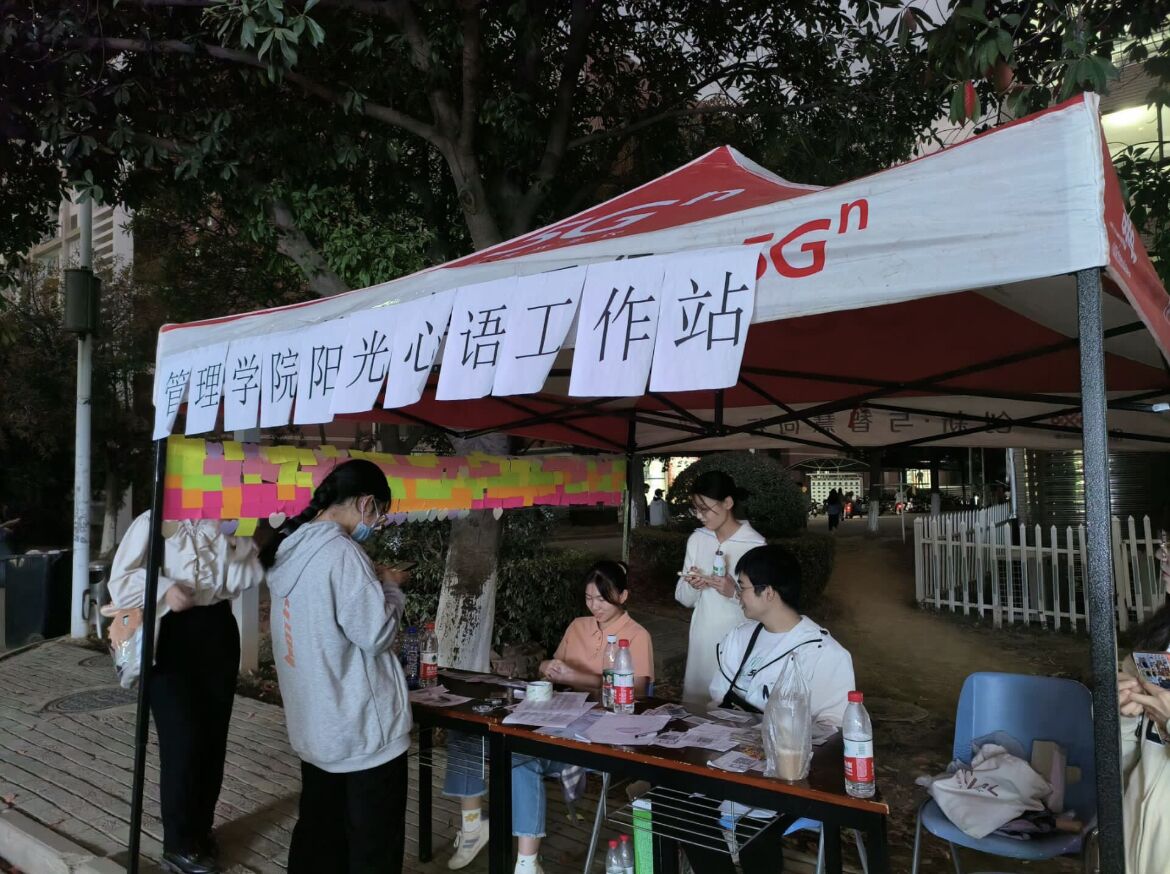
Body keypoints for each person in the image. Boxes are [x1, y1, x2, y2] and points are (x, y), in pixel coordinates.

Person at [443, 561, 654, 873]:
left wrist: (575, 677)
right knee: (465, 736)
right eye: (589, 598)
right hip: (556, 718)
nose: (594, 606)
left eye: (602, 599)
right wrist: (547, 668)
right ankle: (474, 827)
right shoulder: (578, 626)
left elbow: (638, 691)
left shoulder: (636, 635)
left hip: (596, 735)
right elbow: (554, 667)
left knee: (521, 758)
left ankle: (527, 861)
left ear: (623, 596)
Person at [260, 459, 411, 874]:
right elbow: (377, 634)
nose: (377, 524)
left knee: (320, 839)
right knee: (371, 850)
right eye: (379, 513)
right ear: (365, 503)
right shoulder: (342, 553)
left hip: (317, 731)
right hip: (362, 736)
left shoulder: (290, 549)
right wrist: (392, 588)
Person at [108, 513, 265, 874]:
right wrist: (164, 588)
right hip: (167, 636)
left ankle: (200, 830)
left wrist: (247, 544)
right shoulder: (153, 520)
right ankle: (178, 844)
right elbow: (121, 580)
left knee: (212, 738)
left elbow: (239, 581)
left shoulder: (225, 521)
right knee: (182, 740)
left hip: (217, 630)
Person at [685, 544, 855, 874]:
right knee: (678, 810)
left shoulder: (824, 653)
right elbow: (717, 702)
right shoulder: (740, 638)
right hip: (729, 764)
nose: (738, 595)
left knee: (753, 830)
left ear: (769, 593)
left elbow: (834, 733)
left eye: (743, 587)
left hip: (790, 777)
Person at [674, 471, 765, 703]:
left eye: (705, 509)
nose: (699, 515)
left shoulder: (754, 545)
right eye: (696, 509)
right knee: (699, 706)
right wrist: (693, 585)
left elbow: (765, 606)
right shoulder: (697, 540)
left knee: (732, 707)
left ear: (728, 503)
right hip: (703, 639)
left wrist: (733, 593)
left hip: (739, 640)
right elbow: (684, 599)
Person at [1117, 514, 1170, 873]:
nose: (1161, 554)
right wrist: (1122, 716)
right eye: (1164, 542)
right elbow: (1125, 764)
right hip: (1135, 841)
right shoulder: (1157, 642)